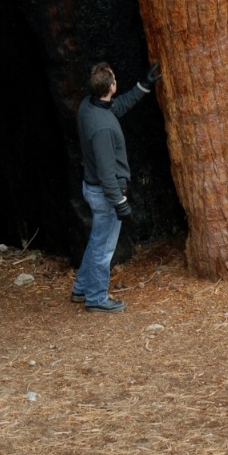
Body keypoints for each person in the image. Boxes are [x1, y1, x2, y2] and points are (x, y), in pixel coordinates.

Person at [70, 60, 162, 312]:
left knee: (97, 240)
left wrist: (143, 86)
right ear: (111, 86)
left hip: (93, 189)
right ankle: (96, 299)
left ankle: (81, 289)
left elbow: (116, 107)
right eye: (114, 80)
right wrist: (119, 202)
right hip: (105, 193)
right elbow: (106, 172)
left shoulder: (89, 106)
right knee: (103, 248)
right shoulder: (102, 128)